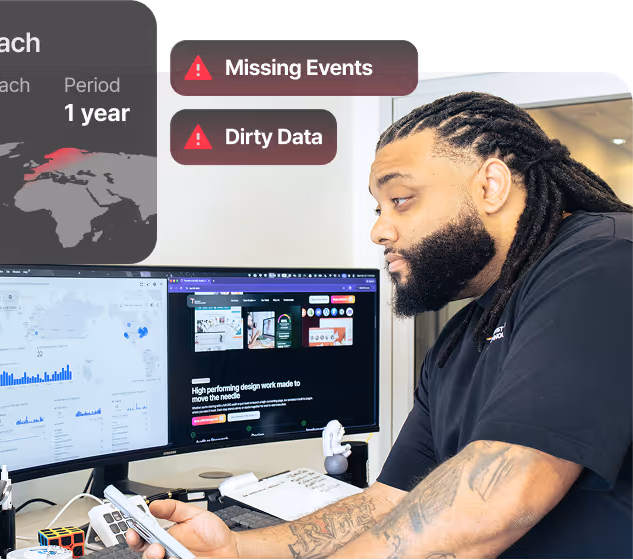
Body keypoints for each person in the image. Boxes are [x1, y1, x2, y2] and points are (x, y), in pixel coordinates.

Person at [127, 92, 633, 558]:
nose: (378, 229)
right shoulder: (464, 335)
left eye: (402, 199)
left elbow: (501, 494)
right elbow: (389, 504)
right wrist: (238, 550)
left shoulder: (607, 261)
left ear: (491, 185)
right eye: (377, 207)